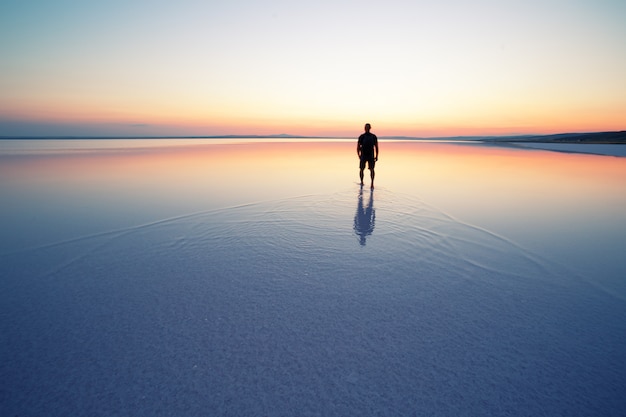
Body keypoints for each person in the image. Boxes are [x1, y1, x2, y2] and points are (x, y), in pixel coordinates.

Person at [357, 123, 379, 188]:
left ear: (370, 128)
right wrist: (358, 155)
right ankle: (361, 181)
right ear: (364, 128)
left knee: (372, 169)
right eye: (366, 127)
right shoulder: (362, 136)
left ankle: (372, 183)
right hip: (363, 155)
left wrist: (377, 155)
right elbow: (358, 146)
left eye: (368, 127)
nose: (366, 128)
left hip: (371, 156)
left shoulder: (373, 136)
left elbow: (376, 147)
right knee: (361, 169)